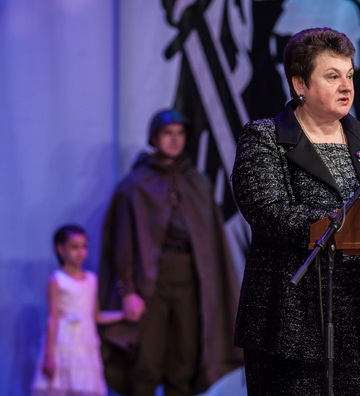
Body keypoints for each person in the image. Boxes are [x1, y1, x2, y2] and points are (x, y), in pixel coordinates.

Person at [231, 27, 360, 395]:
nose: (346, 87)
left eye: (350, 75)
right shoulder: (265, 137)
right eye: (332, 76)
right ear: (300, 84)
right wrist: (340, 222)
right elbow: (267, 210)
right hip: (292, 322)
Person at [98, 109, 243, 395]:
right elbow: (123, 241)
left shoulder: (197, 182)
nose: (175, 140)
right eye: (167, 133)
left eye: (180, 133)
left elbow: (211, 243)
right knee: (146, 363)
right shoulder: (136, 185)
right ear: (154, 138)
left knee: (184, 361)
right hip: (151, 284)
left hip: (190, 282)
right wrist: (128, 290)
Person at [31, 224, 124, 396]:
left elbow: (96, 316)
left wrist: (123, 315)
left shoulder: (91, 279)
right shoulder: (57, 280)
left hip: (85, 342)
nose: (81, 252)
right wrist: (49, 355)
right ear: (61, 249)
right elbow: (53, 318)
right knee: (61, 385)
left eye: (83, 247)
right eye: (74, 247)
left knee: (85, 385)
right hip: (64, 341)